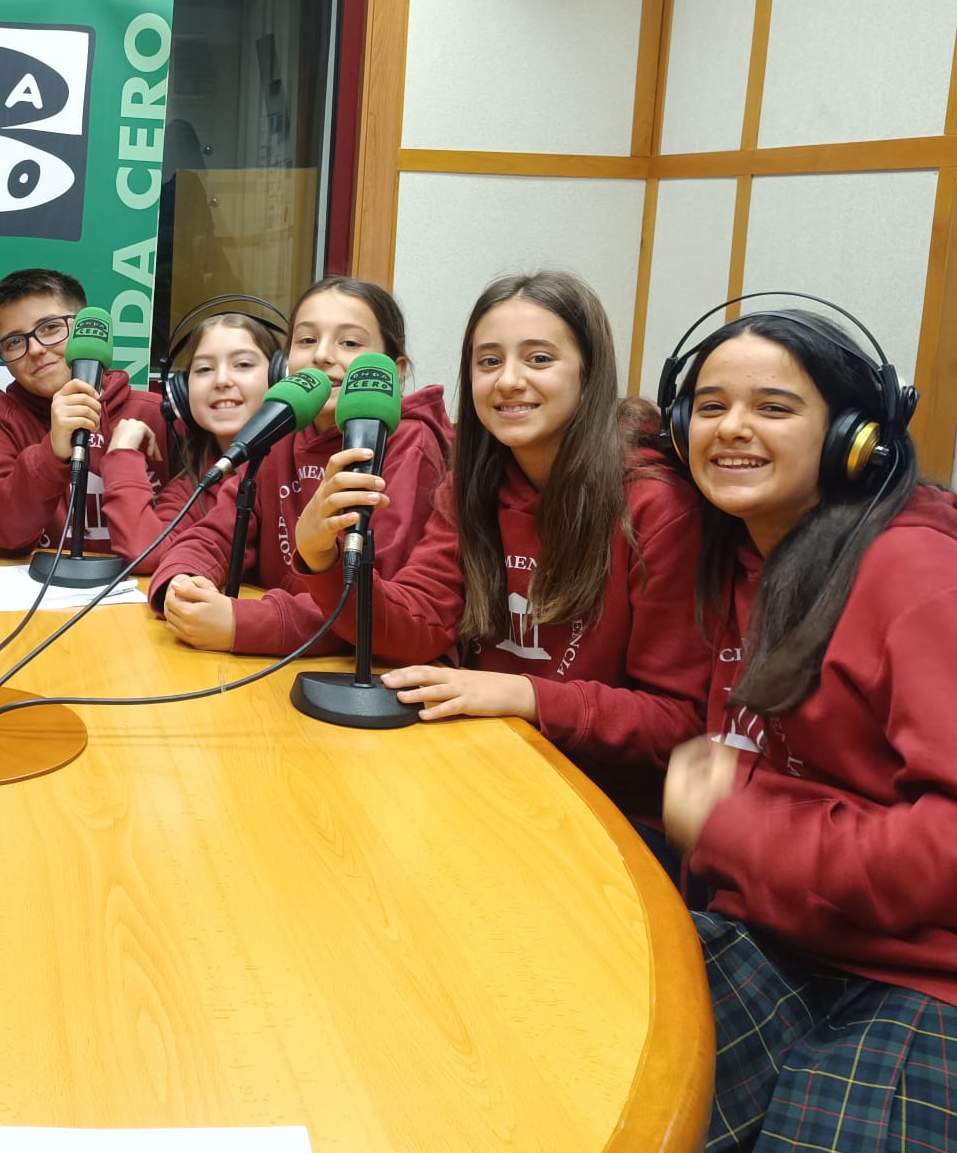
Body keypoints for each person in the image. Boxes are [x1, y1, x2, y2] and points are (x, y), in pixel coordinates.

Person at [660, 307, 957, 1153]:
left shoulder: (923, 584)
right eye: (709, 407)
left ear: (854, 440)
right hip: (811, 947)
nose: (732, 429)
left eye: (774, 408)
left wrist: (740, 826)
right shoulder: (750, 565)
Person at [298, 271, 710, 819]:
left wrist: (525, 695)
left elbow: (680, 721)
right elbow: (418, 628)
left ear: (590, 373)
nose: (508, 381)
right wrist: (319, 556)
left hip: (603, 813)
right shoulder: (472, 484)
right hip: (481, 773)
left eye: (538, 359)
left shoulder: (655, 507)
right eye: (488, 362)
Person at [148, 277, 452, 657]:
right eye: (306, 340)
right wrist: (183, 580)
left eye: (350, 343)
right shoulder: (280, 432)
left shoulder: (409, 445)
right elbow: (216, 534)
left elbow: (375, 603)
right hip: (286, 659)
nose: (322, 355)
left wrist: (244, 625)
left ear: (396, 370)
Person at [0, 270, 169, 562]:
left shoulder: (152, 414)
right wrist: (50, 456)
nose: (34, 349)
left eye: (49, 328)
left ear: (85, 328)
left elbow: (191, 536)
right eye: (14, 343)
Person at [98, 309, 285, 564]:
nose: (221, 381)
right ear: (183, 394)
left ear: (279, 378)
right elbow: (146, 553)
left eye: (243, 365)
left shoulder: (296, 469)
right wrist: (121, 454)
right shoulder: (194, 484)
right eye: (205, 369)